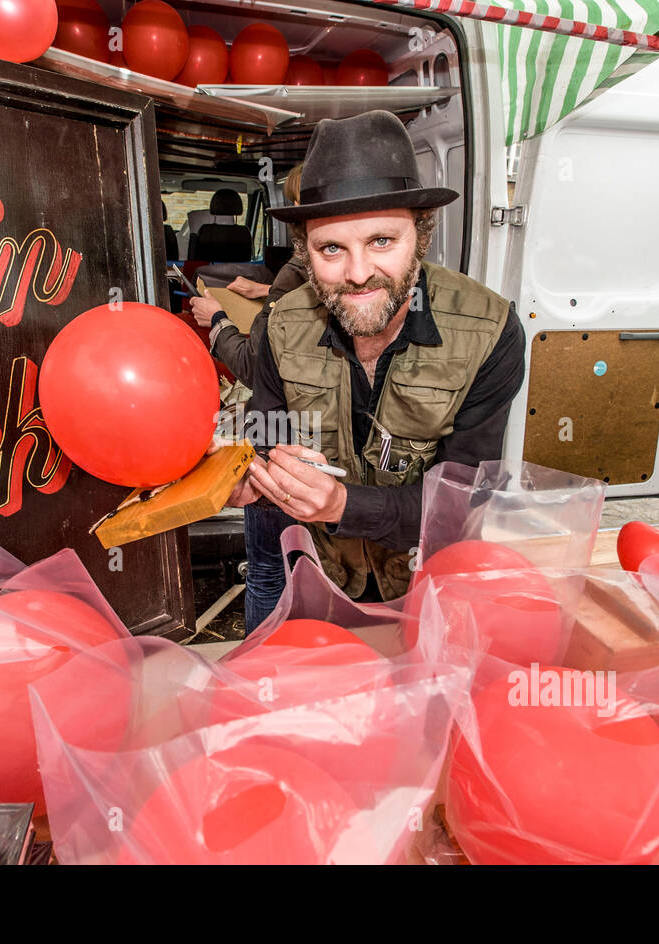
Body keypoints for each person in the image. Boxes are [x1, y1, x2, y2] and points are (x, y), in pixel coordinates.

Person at [225, 110, 526, 630]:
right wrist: (245, 468)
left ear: (421, 236)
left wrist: (343, 503)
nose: (358, 272)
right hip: (316, 573)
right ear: (306, 253)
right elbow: (264, 427)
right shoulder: (279, 325)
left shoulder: (490, 331)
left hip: (425, 581)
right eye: (332, 248)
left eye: (382, 241)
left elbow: (461, 506)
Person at [190, 164, 307, 388]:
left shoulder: (295, 272)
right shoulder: (336, 271)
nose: (293, 207)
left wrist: (216, 319)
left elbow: (253, 367)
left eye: (297, 202)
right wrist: (264, 290)